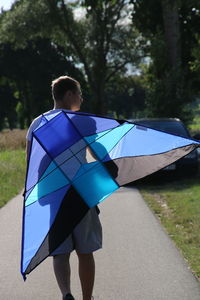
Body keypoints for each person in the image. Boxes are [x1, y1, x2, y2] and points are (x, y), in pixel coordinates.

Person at [26, 75, 102, 300]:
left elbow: (30, 160)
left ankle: (66, 294)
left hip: (52, 194)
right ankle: (87, 298)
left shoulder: (38, 123)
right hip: (80, 192)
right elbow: (98, 154)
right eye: (79, 93)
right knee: (85, 250)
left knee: (60, 250)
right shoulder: (83, 121)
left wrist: (29, 190)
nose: (81, 97)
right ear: (69, 94)